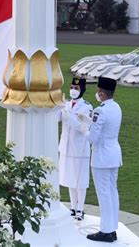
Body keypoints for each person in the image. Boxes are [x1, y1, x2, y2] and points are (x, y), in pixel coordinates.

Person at [87, 76, 122, 243]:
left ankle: (106, 231)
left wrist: (83, 127)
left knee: (104, 194)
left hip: (102, 156)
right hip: (114, 154)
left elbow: (93, 138)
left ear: (101, 93)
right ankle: (112, 228)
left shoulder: (99, 110)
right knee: (112, 191)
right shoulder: (116, 107)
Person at [58, 77, 93, 221]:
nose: (73, 90)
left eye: (77, 88)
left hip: (79, 148)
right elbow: (57, 118)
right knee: (70, 178)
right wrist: (56, 107)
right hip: (66, 146)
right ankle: (73, 207)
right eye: (72, 87)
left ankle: (80, 209)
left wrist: (68, 116)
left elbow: (82, 127)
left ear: (82, 90)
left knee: (80, 180)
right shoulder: (66, 104)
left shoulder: (87, 107)